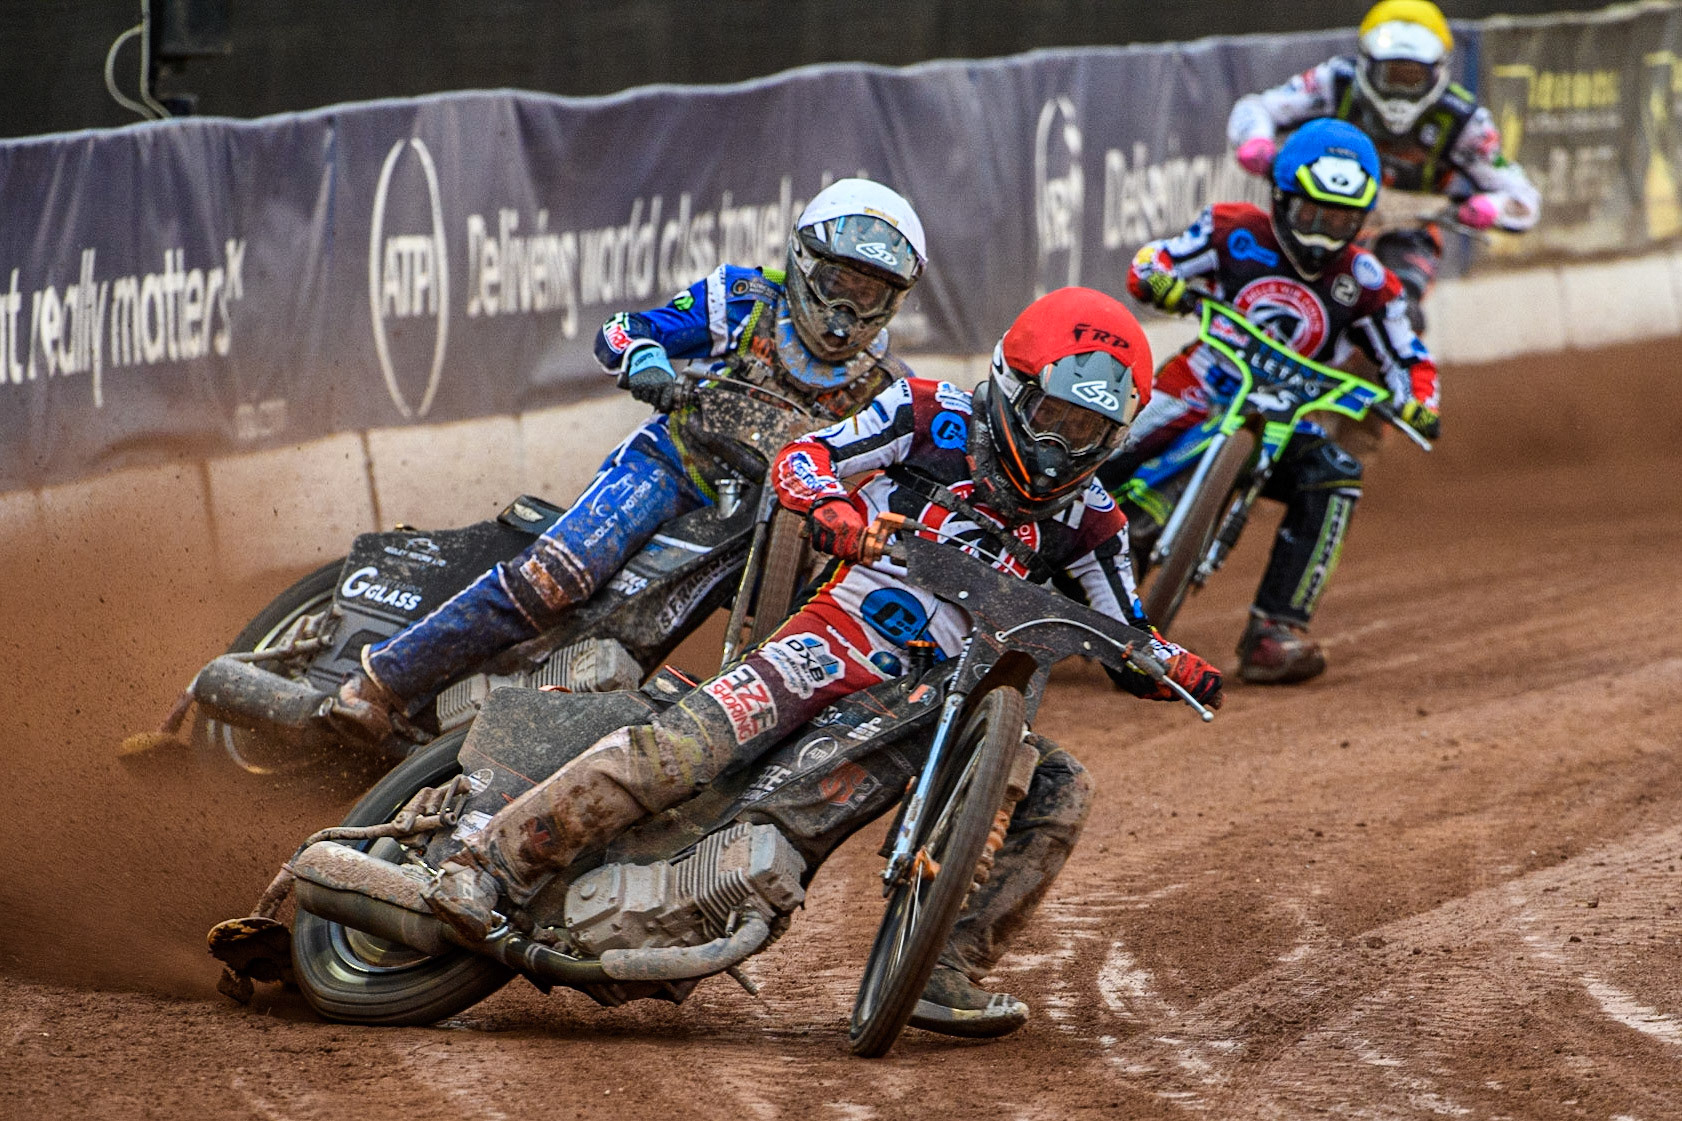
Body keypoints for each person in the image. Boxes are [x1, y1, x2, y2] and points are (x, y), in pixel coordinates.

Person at [420, 287, 1224, 1039]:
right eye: (1053, 415)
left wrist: (1171, 662)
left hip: (948, 694)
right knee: (684, 750)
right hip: (833, 639)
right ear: (1013, 385)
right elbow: (805, 457)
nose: (1061, 446)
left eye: (1086, 431)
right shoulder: (925, 413)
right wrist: (835, 507)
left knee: (1061, 785)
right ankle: (487, 865)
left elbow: (1126, 625)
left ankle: (944, 966)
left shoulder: (1094, 520)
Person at [336, 179, 927, 743]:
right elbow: (623, 330)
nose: (847, 307)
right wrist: (649, 362)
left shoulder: (886, 386)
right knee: (559, 576)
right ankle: (382, 681)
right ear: (804, 262)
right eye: (837, 281)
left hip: (768, 523)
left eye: (869, 293)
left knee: (706, 641)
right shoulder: (744, 300)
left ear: (893, 301)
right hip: (673, 467)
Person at [1107, 118, 1439, 685]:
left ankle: (1271, 633)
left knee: (1336, 473)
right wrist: (1160, 281)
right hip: (1203, 382)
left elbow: (1408, 356)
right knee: (1112, 442)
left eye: (1339, 219)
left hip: (1288, 415)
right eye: (1311, 214)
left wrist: (1418, 401)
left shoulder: (1367, 281)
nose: (1321, 232)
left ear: (1361, 219)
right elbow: (1154, 260)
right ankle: (1027, 534)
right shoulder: (1231, 230)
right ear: (1282, 198)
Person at [1226, 0, 1540, 334]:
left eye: (1412, 77)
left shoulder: (1463, 120)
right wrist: (1256, 143)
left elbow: (1524, 201)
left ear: (1438, 71)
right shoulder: (1335, 81)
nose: (1400, 92)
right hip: (1321, 215)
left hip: (1408, 231)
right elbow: (1256, 108)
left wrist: (1487, 209)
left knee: (1400, 316)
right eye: (1391, 75)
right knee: (1270, 296)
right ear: (1366, 64)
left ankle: (1390, 375)